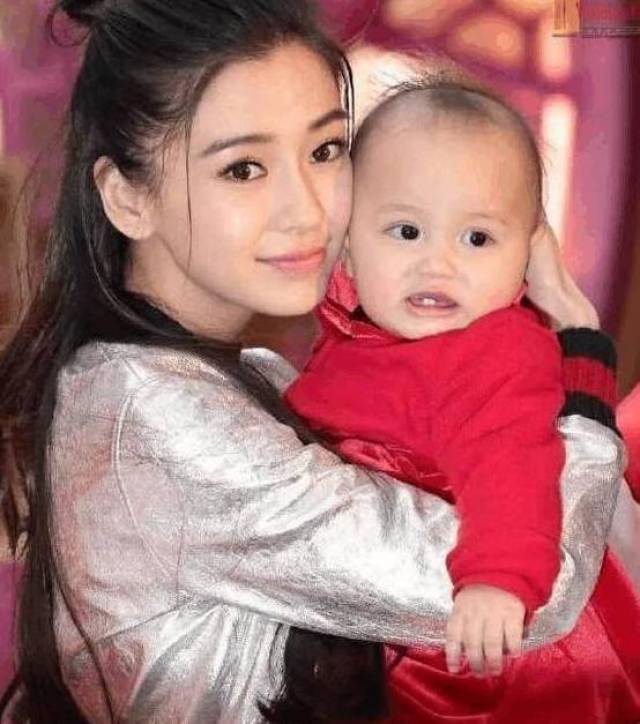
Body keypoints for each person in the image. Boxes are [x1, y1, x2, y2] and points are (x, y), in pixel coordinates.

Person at [0, 1, 630, 722]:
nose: (307, 210)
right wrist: (580, 364)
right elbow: (528, 592)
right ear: (127, 197)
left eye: (326, 151)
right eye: (244, 168)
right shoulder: (161, 419)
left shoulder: (238, 375)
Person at [286, 80, 567, 676]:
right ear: (348, 248)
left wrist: (497, 579)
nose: (438, 264)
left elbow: (513, 463)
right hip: (345, 605)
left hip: (455, 639)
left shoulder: (500, 352)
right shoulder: (350, 336)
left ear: (526, 256)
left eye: (477, 238)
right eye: (407, 232)